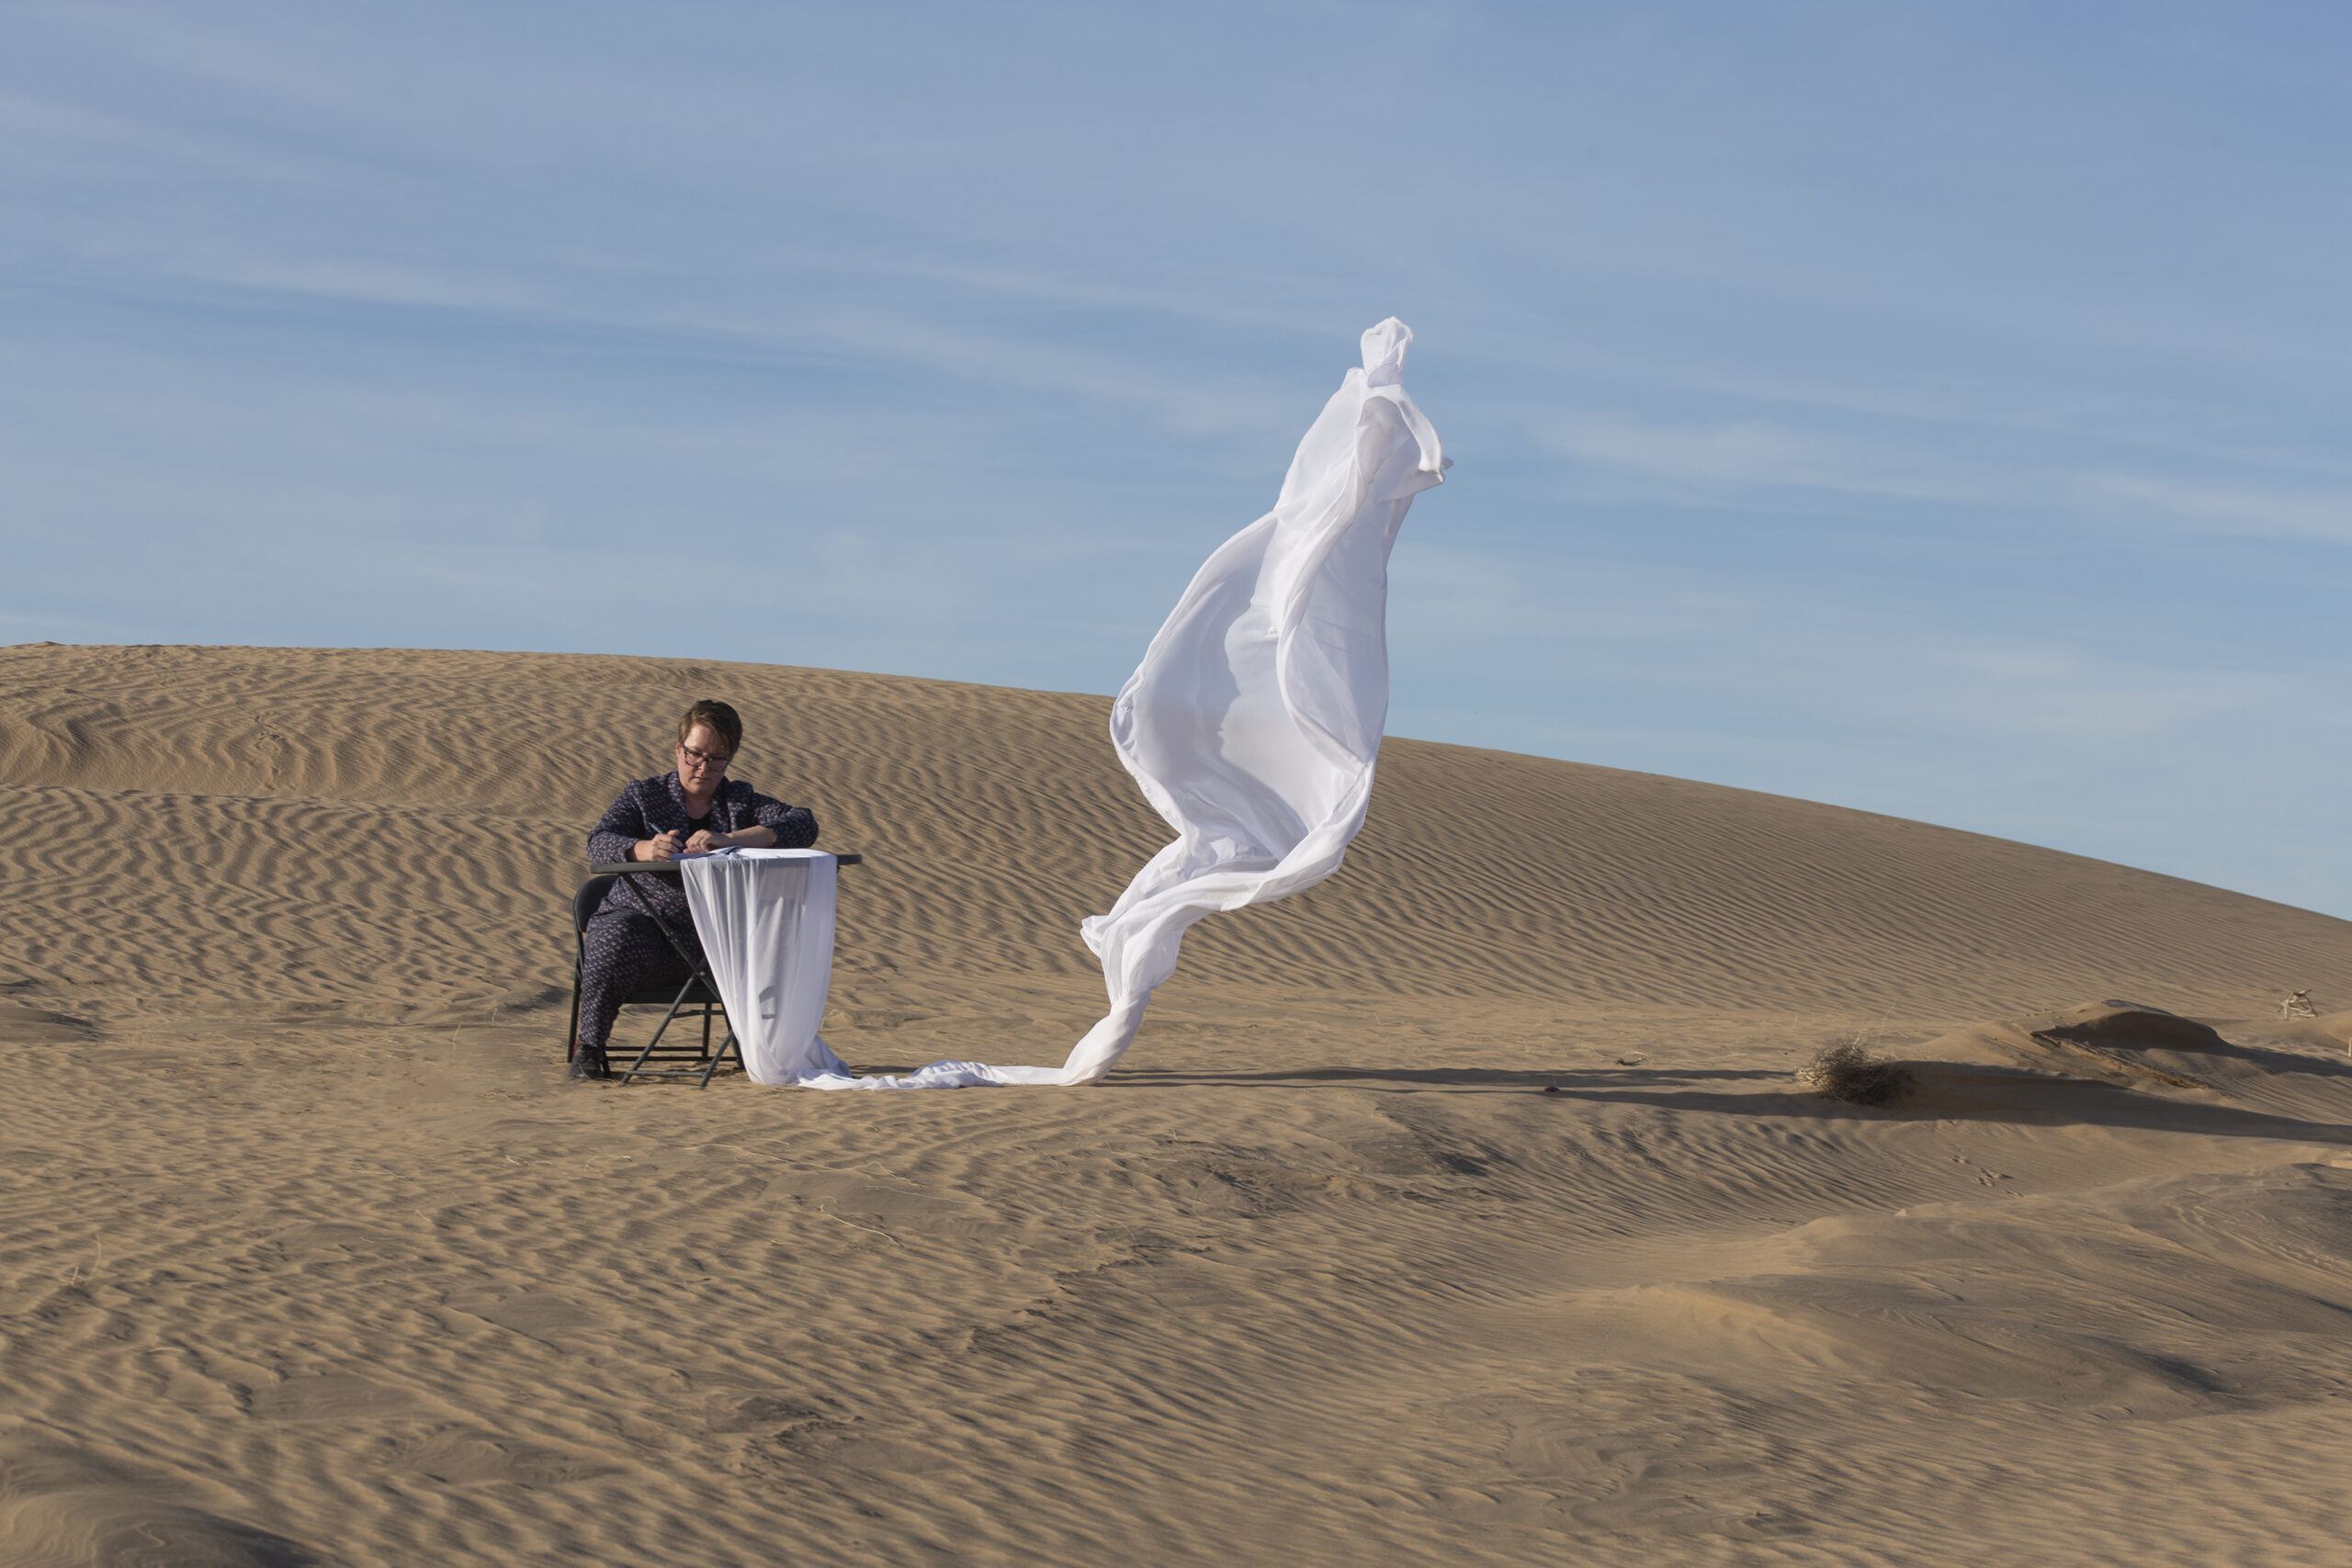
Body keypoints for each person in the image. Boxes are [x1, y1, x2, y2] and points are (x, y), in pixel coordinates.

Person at [571, 699, 819, 1078]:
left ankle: (765, 1053)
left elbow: (803, 823)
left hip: (714, 947)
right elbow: (598, 840)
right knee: (613, 934)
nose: (703, 767)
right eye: (695, 754)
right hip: (644, 934)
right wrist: (645, 849)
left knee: (778, 934)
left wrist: (731, 838)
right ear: (678, 749)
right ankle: (589, 1048)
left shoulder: (740, 802)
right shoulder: (644, 796)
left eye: (716, 759)